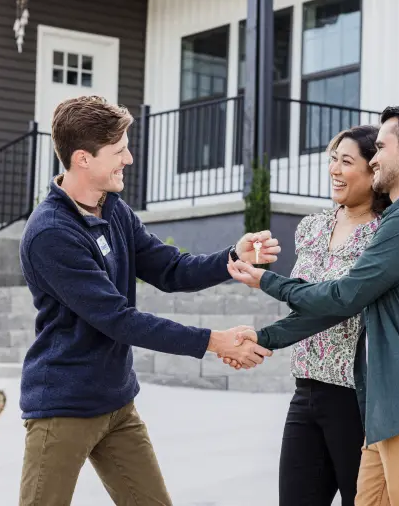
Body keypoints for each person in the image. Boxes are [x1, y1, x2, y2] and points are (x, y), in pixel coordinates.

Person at [17, 95, 277, 506]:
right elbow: (119, 319)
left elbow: (169, 268)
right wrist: (214, 341)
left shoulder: (113, 209)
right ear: (83, 159)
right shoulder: (52, 233)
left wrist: (231, 258)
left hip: (117, 403)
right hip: (63, 408)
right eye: (119, 151)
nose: (130, 158)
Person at [227, 104, 399, 506]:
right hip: (389, 410)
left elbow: (343, 297)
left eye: (380, 148)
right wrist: (265, 335)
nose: (375, 159)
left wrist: (266, 280)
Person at [254, 125, 392, 505]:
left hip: (355, 398)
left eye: (346, 161)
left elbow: (339, 303)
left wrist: (264, 329)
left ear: (373, 171)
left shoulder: (386, 235)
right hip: (306, 390)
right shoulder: (312, 228)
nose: (334, 169)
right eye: (332, 159)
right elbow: (306, 300)